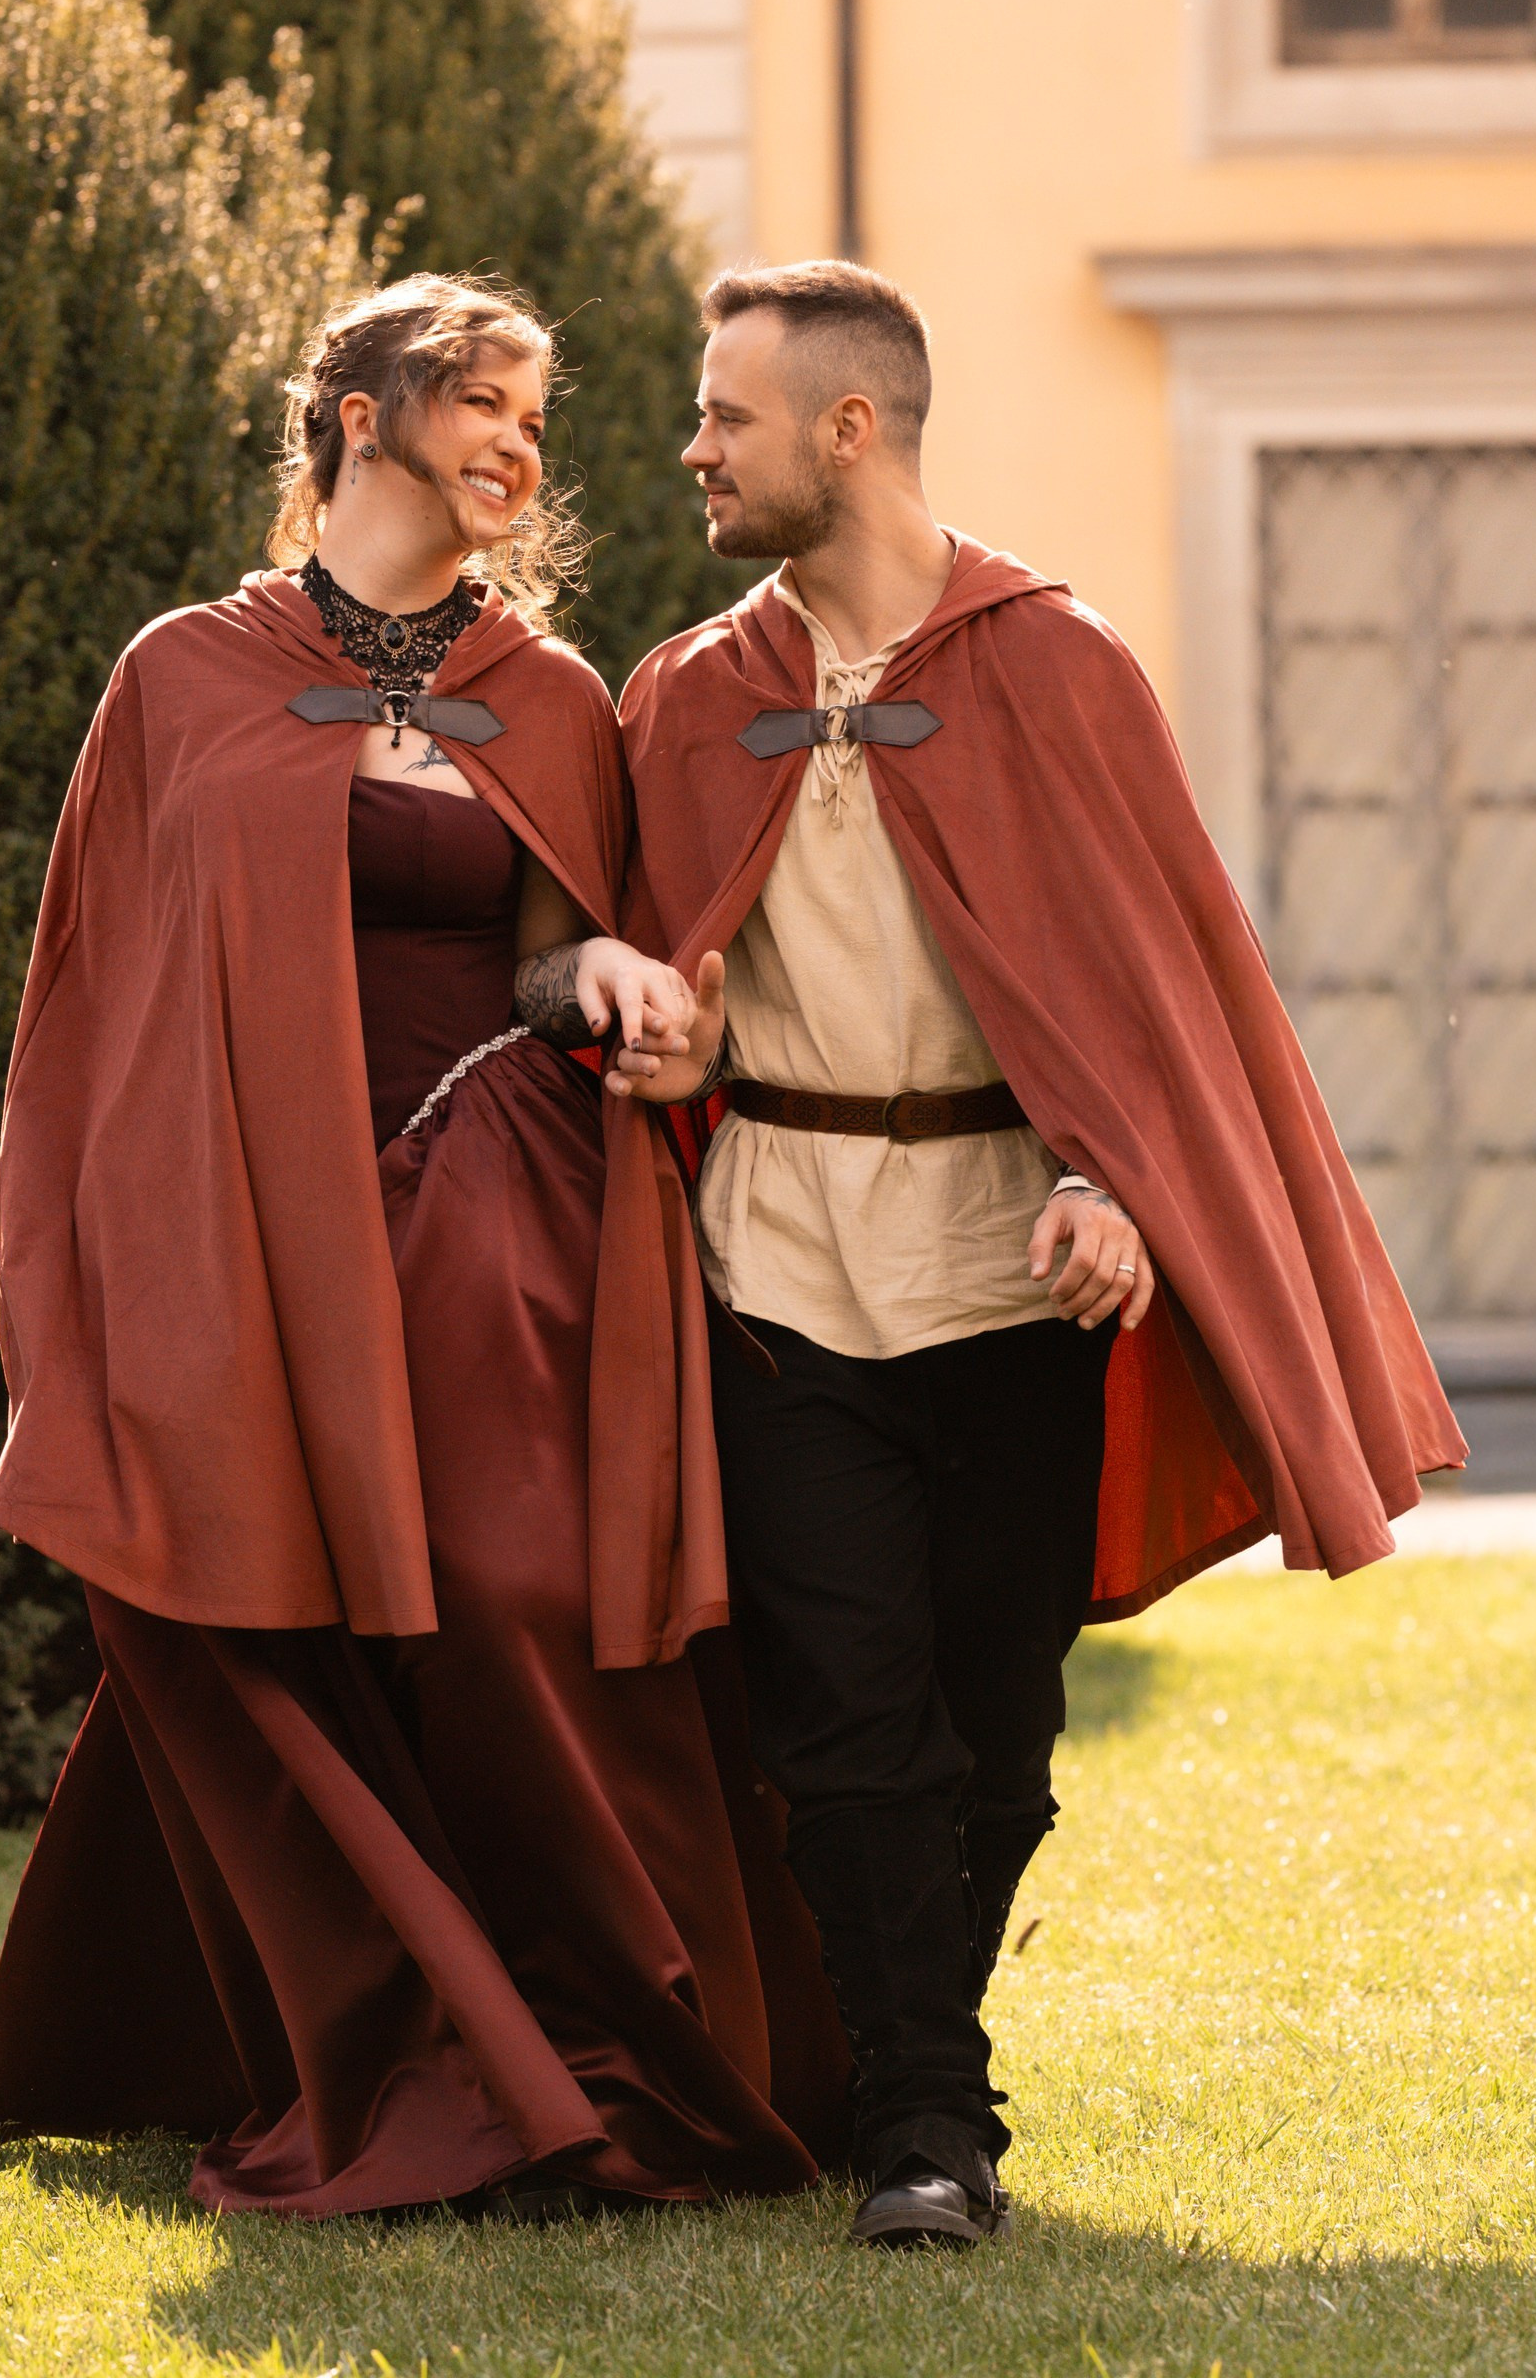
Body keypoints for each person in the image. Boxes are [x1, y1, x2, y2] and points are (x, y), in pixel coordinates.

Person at [584, 260, 1465, 2248]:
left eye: (724, 414)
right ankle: (920, 2120)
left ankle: (890, 2060)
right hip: (779, 1263)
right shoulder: (687, 691)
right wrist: (653, 1009)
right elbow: (621, 938)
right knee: (846, 1712)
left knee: (995, 1724)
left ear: (845, 429)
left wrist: (1119, 1183)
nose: (691, 448)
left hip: (1013, 1272)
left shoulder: (1058, 669)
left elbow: (1156, 999)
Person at [0, 273, 847, 2217]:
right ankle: (424, 2063)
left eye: (539, 412)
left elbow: (553, 941)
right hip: (245, 1220)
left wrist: (607, 967)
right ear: (359, 416)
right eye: (483, 402)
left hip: (490, 1202)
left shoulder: (543, 691)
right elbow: (98, 1002)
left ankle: (611, 2053)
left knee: (517, 1595)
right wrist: (97, 1281)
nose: (524, 442)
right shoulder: (185, 675)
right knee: (260, 1611)